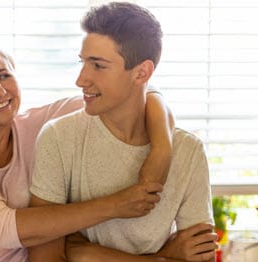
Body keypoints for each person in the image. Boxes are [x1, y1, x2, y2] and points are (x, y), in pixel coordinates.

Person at [0, 34, 176, 261]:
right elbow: (1, 227)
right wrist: (116, 205)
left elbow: (132, 92)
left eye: (4, 76)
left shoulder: (41, 127)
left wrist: (162, 149)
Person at [29, 2, 217, 261]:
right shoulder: (59, 138)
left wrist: (85, 253)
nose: (80, 79)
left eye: (98, 65)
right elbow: (45, 257)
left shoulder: (188, 151)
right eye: (83, 62)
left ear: (141, 73)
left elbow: (199, 255)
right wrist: (162, 258)